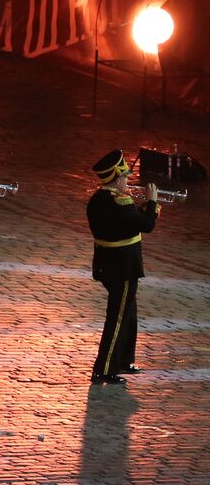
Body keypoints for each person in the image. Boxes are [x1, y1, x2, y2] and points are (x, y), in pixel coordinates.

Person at [87, 150, 159, 385]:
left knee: (129, 313)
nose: (128, 181)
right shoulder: (122, 202)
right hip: (124, 267)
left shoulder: (98, 200)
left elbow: (125, 221)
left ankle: (124, 360)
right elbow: (146, 225)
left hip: (107, 263)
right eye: (126, 176)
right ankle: (105, 368)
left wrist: (138, 208)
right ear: (117, 178)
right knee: (117, 318)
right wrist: (152, 203)